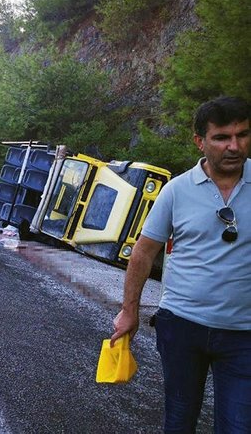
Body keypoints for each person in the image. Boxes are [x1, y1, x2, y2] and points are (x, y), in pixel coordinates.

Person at [110, 96, 250, 433]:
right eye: (221, 137)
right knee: (179, 420)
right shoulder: (176, 191)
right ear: (200, 142)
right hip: (183, 326)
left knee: (238, 425)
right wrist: (130, 310)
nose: (234, 146)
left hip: (244, 334)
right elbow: (143, 253)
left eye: (242, 135)